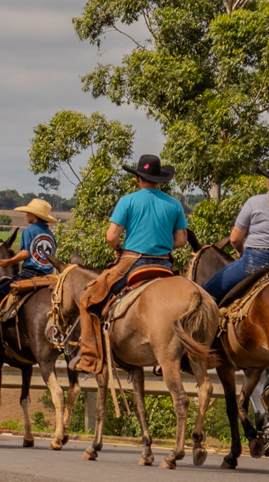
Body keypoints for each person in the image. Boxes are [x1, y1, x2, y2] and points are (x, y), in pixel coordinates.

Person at [71, 154, 190, 375]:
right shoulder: (174, 204)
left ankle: (89, 358)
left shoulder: (128, 200)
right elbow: (182, 241)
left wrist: (118, 248)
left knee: (88, 298)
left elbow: (111, 236)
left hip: (132, 262)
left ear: (137, 178)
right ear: (158, 179)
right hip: (164, 265)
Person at [201, 156, 269, 301]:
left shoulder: (254, 202)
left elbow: (235, 238)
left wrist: (241, 251)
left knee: (205, 296)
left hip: (256, 261)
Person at [0, 199, 59, 314]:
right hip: (48, 277)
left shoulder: (28, 231)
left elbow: (25, 254)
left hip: (29, 275)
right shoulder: (51, 235)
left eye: (28, 213)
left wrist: (9, 262)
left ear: (34, 216)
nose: (26, 215)